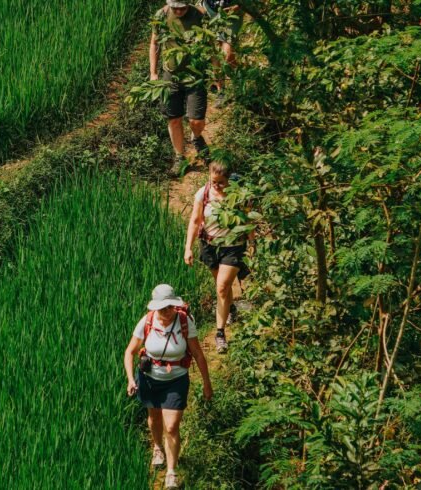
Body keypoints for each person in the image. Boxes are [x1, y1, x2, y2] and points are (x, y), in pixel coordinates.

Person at [124, 284, 212, 490]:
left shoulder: (184, 322)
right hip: (149, 379)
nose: (165, 312)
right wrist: (130, 379)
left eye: (169, 307)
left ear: (175, 305)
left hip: (176, 379)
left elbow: (198, 354)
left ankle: (171, 472)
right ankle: (157, 447)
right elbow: (130, 352)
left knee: (171, 426)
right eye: (162, 309)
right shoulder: (146, 322)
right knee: (153, 416)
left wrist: (207, 383)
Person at [184, 161, 250, 353]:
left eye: (221, 182)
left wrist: (253, 245)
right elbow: (195, 221)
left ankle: (220, 334)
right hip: (210, 245)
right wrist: (188, 248)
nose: (217, 186)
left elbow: (249, 221)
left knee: (221, 287)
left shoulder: (239, 196)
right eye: (214, 181)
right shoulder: (203, 193)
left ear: (229, 180)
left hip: (233, 246)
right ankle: (231, 309)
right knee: (222, 286)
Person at [150, 0, 210, 174]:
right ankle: (179, 157)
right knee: (174, 118)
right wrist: (153, 72)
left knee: (196, 120)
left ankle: (196, 138)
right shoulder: (161, 16)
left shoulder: (199, 15)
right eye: (175, 8)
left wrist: (215, 69)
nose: (179, 11)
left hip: (195, 74)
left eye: (183, 8)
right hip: (171, 74)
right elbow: (155, 43)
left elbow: (209, 42)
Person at [200, 0, 242, 105]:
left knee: (227, 55)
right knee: (215, 53)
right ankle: (221, 90)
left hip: (232, 11)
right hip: (210, 9)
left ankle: (241, 79)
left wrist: (239, 6)